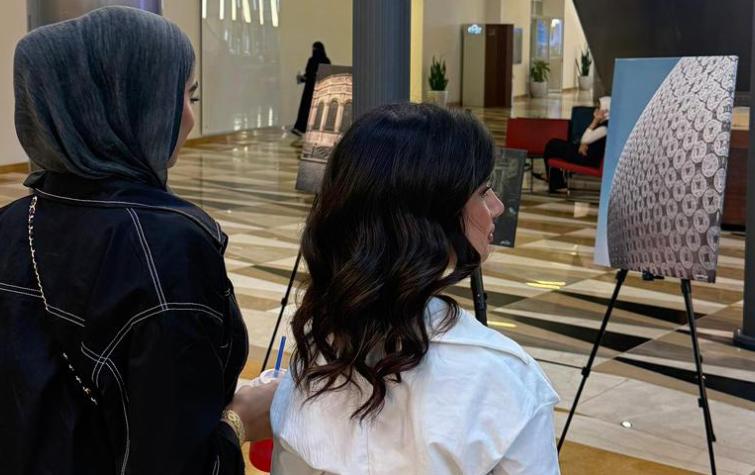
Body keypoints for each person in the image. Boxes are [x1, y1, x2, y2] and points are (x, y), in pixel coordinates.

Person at [0, 7, 274, 474]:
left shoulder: (11, 223)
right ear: (134, 106)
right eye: (183, 96)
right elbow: (176, 458)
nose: (189, 118)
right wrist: (241, 421)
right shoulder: (166, 246)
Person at [271, 103, 560, 474]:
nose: (498, 206)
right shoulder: (503, 378)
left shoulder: (318, 345)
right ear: (430, 215)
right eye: (483, 191)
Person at [537, 104, 609, 192]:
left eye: (599, 109)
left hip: (586, 157)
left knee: (552, 145)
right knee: (553, 145)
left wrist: (595, 120)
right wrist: (583, 144)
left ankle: (555, 182)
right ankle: (555, 181)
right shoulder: (604, 126)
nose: (595, 111)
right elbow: (588, 139)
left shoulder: (604, 128)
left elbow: (585, 138)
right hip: (585, 152)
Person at [291, 41, 331, 136]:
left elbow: (312, 74)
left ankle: (304, 127)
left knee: (309, 108)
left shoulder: (317, 60)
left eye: (315, 49)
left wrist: (305, 78)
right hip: (315, 89)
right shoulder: (322, 60)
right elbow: (310, 74)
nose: (313, 50)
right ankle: (306, 128)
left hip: (313, 89)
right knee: (310, 108)